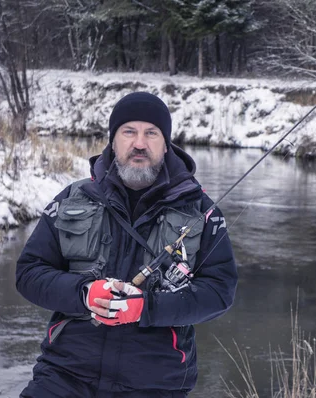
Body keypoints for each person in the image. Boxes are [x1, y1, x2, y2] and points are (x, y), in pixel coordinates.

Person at [16, 92, 238, 397]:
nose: (139, 143)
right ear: (113, 140)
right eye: (129, 132)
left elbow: (219, 292)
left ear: (166, 142)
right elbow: (29, 273)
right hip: (64, 375)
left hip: (157, 383)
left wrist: (147, 308)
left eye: (151, 133)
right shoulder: (72, 198)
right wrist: (84, 293)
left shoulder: (201, 211)